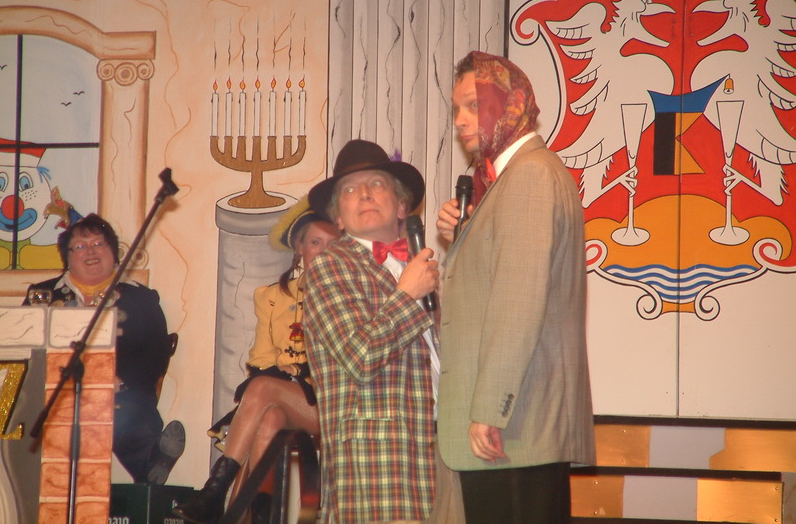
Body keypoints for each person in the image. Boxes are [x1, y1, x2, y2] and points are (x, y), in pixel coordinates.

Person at [436, 51, 596, 523]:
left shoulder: (528, 176)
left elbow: (518, 302)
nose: (460, 121)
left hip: (513, 425)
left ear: (507, 105)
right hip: (518, 424)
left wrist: (490, 409)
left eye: (472, 105)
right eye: (457, 109)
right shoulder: (514, 178)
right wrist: (465, 234)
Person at [303, 139, 461, 524]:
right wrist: (408, 294)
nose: (364, 194)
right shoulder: (329, 267)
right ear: (339, 219)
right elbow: (360, 356)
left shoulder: (422, 269)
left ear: (402, 206)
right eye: (350, 190)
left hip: (444, 451)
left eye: (376, 184)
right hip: (377, 464)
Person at [173, 197, 339, 524]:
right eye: (315, 242)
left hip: (333, 404)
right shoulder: (272, 296)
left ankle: (213, 495)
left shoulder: (349, 293)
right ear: (300, 249)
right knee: (269, 418)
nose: (323, 251)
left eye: (332, 244)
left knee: (262, 389)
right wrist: (282, 370)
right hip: (286, 397)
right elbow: (260, 357)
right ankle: (257, 515)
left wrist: (299, 369)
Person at [24, 213, 185, 485]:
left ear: (114, 252)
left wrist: (118, 381)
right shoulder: (43, 295)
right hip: (53, 391)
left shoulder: (140, 299)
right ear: (67, 256)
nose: (90, 251)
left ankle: (151, 463)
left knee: (126, 409)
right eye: (80, 246)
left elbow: (155, 355)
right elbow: (25, 346)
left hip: (118, 392)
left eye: (98, 244)